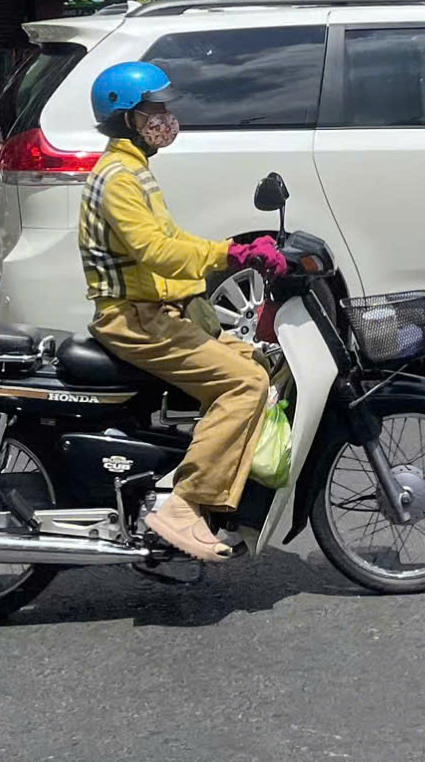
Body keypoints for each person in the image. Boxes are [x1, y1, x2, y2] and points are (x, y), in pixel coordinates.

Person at [77, 61, 283, 563]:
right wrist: (230, 256)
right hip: (133, 319)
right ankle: (185, 504)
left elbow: (173, 240)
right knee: (245, 385)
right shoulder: (118, 178)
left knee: (259, 362)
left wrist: (237, 249)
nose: (166, 119)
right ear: (127, 117)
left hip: (158, 312)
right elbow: (155, 252)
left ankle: (221, 491)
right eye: (156, 110)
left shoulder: (134, 171)